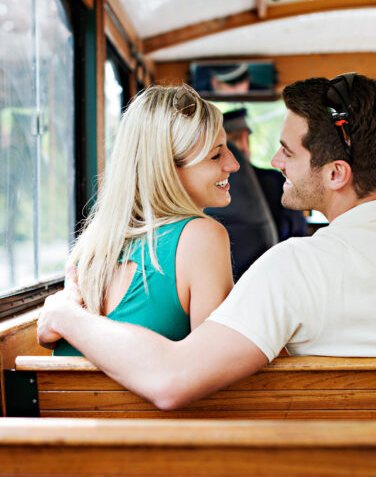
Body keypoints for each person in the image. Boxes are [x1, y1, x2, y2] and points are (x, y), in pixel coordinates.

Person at [37, 73, 376, 410]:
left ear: (336, 174)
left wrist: (65, 315)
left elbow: (173, 379)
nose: (271, 161)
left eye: (288, 151)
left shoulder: (294, 267)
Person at [51, 84, 239, 355]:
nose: (234, 164)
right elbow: (215, 363)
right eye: (216, 155)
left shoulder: (89, 249)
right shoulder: (203, 237)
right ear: (166, 168)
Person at [205, 108, 307, 279]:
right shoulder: (277, 182)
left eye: (245, 139)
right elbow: (297, 236)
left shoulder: (199, 190)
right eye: (235, 140)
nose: (243, 147)